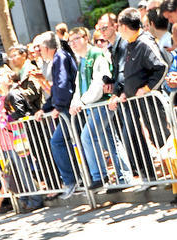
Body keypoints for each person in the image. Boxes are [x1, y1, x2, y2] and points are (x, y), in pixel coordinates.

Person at [68, 27, 131, 189]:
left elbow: (100, 82)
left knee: (87, 137)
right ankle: (124, 177)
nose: (72, 43)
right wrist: (76, 102)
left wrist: (82, 102)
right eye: (70, 40)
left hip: (101, 103)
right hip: (92, 105)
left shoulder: (96, 54)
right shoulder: (82, 59)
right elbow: (78, 85)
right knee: (110, 140)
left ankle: (100, 176)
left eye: (76, 38)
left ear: (85, 38)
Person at [111, 7, 168, 181]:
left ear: (124, 27)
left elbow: (161, 67)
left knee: (163, 139)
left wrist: (147, 89)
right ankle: (164, 180)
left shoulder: (144, 43)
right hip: (134, 102)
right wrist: (124, 93)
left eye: (118, 26)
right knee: (143, 139)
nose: (118, 30)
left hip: (150, 101)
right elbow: (131, 75)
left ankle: (175, 178)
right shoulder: (130, 44)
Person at [34, 31, 78, 198]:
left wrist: (58, 107)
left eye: (40, 48)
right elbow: (56, 89)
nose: (39, 51)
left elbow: (62, 84)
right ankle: (76, 178)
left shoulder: (59, 57)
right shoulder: (60, 57)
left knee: (57, 142)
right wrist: (45, 108)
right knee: (67, 142)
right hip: (66, 106)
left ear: (46, 48)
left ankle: (71, 180)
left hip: (68, 107)